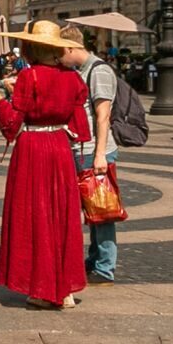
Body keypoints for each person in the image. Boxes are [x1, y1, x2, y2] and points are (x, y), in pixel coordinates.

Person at [0, 20, 89, 310]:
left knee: (34, 214)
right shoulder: (73, 78)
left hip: (33, 147)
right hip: (59, 146)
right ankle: (64, 287)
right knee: (61, 215)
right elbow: (79, 123)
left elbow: (12, 121)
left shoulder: (28, 76)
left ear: (31, 47)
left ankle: (42, 287)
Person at [61, 25, 121, 286]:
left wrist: (99, 155)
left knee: (102, 209)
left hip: (96, 150)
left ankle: (105, 267)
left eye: (59, 52)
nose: (58, 58)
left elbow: (103, 115)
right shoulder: (78, 71)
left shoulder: (99, 71)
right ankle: (94, 258)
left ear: (72, 48)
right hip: (81, 148)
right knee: (93, 209)